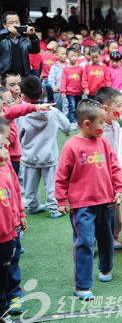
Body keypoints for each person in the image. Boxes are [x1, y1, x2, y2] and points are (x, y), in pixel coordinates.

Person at [55, 99, 122, 300]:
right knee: (84, 242)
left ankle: (105, 268)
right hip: (82, 206)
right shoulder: (72, 146)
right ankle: (82, 285)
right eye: (101, 123)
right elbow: (61, 176)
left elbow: (114, 167)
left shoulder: (102, 142)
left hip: (107, 202)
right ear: (86, 124)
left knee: (106, 238)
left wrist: (119, 188)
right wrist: (61, 201)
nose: (104, 126)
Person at [17, 76, 70, 220]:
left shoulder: (22, 113)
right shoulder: (52, 111)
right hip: (49, 155)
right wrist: (66, 131)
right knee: (51, 184)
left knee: (30, 184)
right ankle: (54, 208)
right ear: (42, 91)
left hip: (28, 155)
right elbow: (66, 125)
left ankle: (33, 205)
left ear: (23, 95)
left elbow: (17, 134)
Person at [95, 87, 122, 250]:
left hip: (113, 175)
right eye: (119, 106)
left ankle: (114, 235)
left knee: (114, 206)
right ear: (105, 108)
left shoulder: (115, 125)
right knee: (95, 208)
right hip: (97, 176)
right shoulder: (94, 128)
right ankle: (92, 239)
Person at [0, 133, 20, 323]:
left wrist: (20, 216)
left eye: (4, 146)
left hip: (8, 236)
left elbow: (13, 196)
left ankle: (4, 309)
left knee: (4, 273)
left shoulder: (6, 171)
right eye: (0, 148)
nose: (5, 153)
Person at [0, 11, 40, 77]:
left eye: (17, 22)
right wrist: (6, 31)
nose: (15, 25)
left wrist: (33, 36)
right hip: (5, 76)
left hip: (23, 76)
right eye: (11, 22)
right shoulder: (2, 39)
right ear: (4, 25)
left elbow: (35, 50)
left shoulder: (24, 40)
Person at [60, 48, 84, 129]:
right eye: (71, 56)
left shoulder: (80, 68)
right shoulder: (66, 69)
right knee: (72, 106)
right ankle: (72, 122)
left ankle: (78, 121)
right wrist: (63, 91)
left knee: (78, 107)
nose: (73, 57)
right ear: (67, 57)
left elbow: (83, 79)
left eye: (75, 56)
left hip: (79, 92)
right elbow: (63, 80)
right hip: (70, 92)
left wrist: (84, 88)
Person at [48, 46, 67, 113]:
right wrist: (53, 85)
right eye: (62, 54)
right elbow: (51, 78)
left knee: (67, 107)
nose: (64, 56)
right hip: (58, 90)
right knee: (59, 106)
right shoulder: (54, 66)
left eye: (65, 54)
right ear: (56, 55)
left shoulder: (68, 65)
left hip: (67, 90)